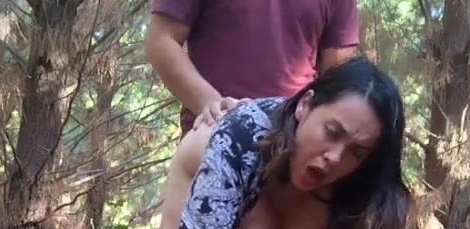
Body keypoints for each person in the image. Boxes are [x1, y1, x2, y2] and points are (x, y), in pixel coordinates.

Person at [127, 57, 411, 229]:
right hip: (210, 208)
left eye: (357, 152)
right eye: (332, 132)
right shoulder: (240, 136)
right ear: (305, 105)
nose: (335, 157)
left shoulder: (357, 179)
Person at [144, 0, 361, 135]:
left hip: (292, 146)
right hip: (212, 138)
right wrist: (212, 105)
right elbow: (161, 40)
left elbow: (338, 74)